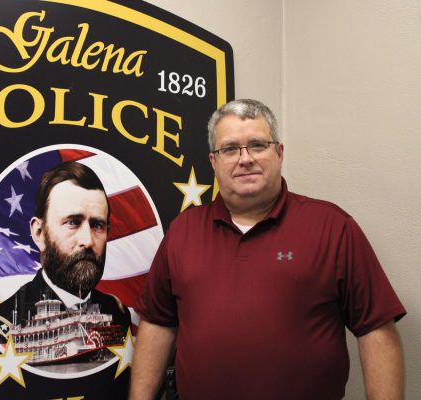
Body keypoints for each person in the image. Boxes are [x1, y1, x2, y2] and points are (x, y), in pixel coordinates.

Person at [130, 99, 406, 399]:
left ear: (279, 152)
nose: (245, 158)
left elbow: (376, 329)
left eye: (258, 145)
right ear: (213, 161)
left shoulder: (333, 227)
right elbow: (158, 323)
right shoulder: (183, 231)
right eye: (230, 149)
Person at [0, 161, 131, 347]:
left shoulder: (117, 312)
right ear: (39, 234)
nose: (88, 241)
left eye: (98, 225)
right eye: (73, 222)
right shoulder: (3, 325)